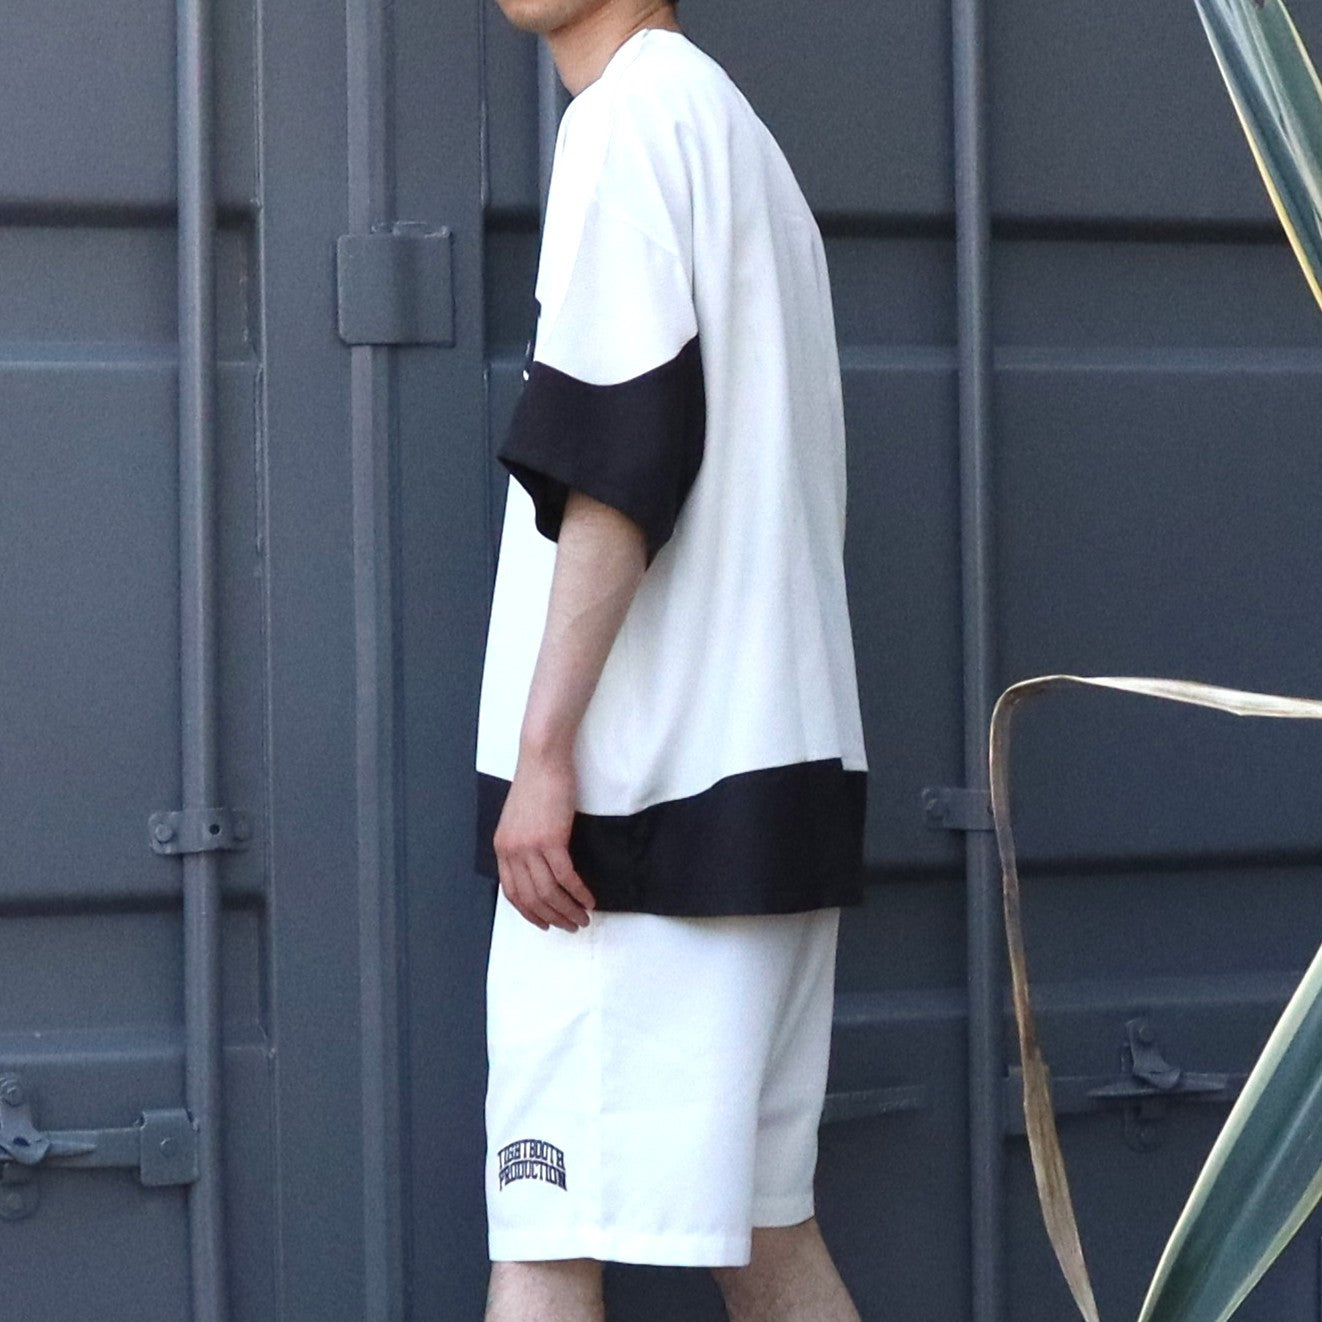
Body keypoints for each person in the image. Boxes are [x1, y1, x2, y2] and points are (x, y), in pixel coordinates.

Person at [473, 2, 869, 1318]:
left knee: (545, 1238)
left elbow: (617, 457)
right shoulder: (732, 136)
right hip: (772, 792)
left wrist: (542, 755)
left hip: (633, 817)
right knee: (763, 1233)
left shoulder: (628, 123)